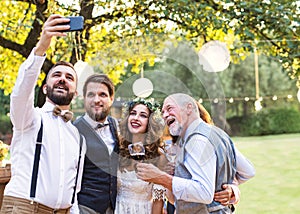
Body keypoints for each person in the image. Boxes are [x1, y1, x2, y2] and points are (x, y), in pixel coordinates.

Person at [1, 14, 86, 213]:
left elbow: (74, 188)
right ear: (45, 88)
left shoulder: (77, 137)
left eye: (69, 77)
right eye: (56, 75)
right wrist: (41, 47)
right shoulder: (29, 118)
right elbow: (21, 91)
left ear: (75, 91)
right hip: (24, 208)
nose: (62, 79)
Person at [136, 93, 238, 214]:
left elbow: (205, 192)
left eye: (169, 109)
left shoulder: (198, 139)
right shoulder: (177, 142)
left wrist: (232, 189)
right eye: (163, 112)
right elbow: (247, 171)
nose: (165, 116)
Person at [72, 74, 119, 214]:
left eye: (102, 95)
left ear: (111, 99)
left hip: (114, 207)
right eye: (91, 94)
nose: (96, 100)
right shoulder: (74, 130)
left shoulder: (115, 125)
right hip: (86, 207)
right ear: (84, 99)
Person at [115, 97, 167, 214]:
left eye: (143, 115)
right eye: (133, 113)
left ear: (150, 122)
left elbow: (158, 201)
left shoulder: (158, 155)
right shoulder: (118, 149)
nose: (136, 118)